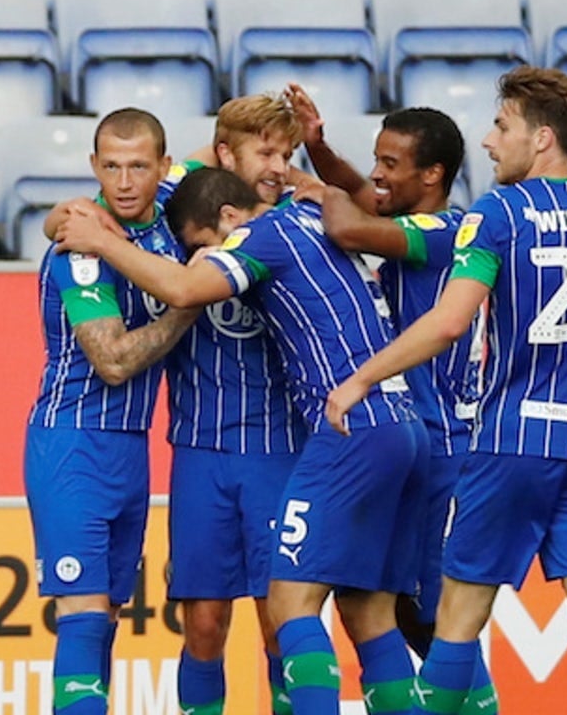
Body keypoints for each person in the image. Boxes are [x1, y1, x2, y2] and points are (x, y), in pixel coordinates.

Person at [325, 65, 567, 715]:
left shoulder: (499, 213)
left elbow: (449, 322)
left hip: (513, 440)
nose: (489, 142)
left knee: (456, 622)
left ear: (541, 138)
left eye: (501, 126)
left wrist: (361, 377)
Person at [52, 166, 429, 715]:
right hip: (403, 424)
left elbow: (183, 288)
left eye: (204, 245)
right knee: (369, 612)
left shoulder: (261, 235)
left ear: (229, 218)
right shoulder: (308, 214)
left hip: (352, 429)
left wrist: (104, 242)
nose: (202, 257)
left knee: (289, 602)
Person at [49, 93, 312, 715]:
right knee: (202, 625)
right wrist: (62, 217)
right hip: (199, 450)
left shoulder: (297, 221)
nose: (277, 167)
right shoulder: (177, 206)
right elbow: (85, 210)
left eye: (287, 154)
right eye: (265, 153)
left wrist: (317, 168)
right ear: (225, 155)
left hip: (280, 448)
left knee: (282, 619)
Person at [293, 93, 496, 712]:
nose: (376, 174)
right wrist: (319, 149)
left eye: (390, 163)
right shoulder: (413, 219)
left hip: (444, 445)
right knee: (395, 602)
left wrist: (313, 188)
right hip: (413, 439)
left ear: (431, 175)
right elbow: (364, 195)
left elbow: (349, 223)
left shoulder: (446, 231)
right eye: (377, 159)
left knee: (432, 611)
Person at [24, 108, 199, 715]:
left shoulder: (169, 207)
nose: (124, 182)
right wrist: (189, 301)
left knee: (107, 618)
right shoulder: (79, 247)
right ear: (94, 167)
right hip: (72, 441)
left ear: (164, 168)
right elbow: (114, 362)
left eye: (139, 167)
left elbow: (226, 152)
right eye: (112, 167)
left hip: (131, 447)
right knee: (83, 613)